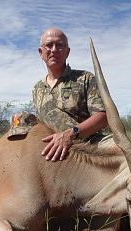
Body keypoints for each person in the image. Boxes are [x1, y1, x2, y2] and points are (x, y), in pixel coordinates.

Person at [32, 27, 112, 162]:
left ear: (67, 52)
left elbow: (103, 117)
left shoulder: (85, 78)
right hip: (55, 150)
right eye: (49, 45)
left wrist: (71, 133)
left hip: (90, 146)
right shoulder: (37, 89)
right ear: (41, 52)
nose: (53, 49)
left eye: (59, 45)